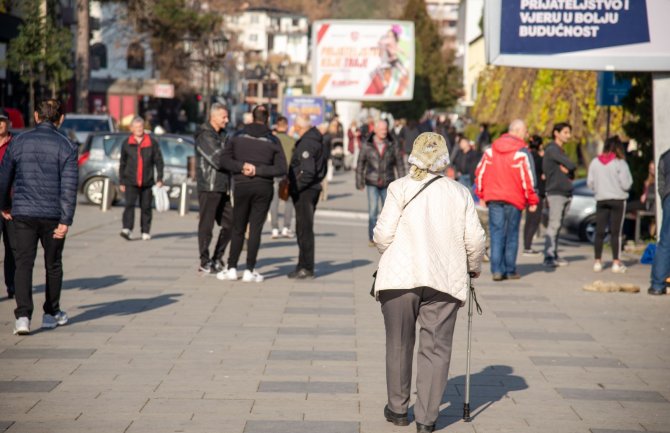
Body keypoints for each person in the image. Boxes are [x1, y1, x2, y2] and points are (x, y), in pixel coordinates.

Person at [372, 132, 485, 433]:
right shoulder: (459, 193)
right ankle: (426, 419)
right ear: (444, 158)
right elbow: (475, 238)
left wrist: (396, 255)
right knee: (436, 348)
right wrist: (473, 268)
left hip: (400, 277)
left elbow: (382, 235)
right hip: (444, 280)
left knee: (398, 343)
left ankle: (397, 409)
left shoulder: (399, 188)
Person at [0, 99, 78, 335]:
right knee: (53, 264)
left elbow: (4, 178)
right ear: (60, 119)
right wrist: (66, 220)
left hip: (22, 212)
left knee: (23, 263)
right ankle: (50, 313)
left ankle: (23, 316)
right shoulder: (66, 145)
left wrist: (4, 206)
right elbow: (69, 187)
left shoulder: (19, 141)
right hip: (53, 215)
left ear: (36, 116)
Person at [219, 106, 286, 283]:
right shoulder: (273, 140)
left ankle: (232, 268)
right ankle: (249, 270)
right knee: (255, 229)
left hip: (241, 185)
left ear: (252, 117)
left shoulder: (238, 136)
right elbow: (281, 169)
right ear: (267, 119)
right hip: (263, 187)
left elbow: (224, 160)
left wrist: (242, 167)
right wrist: (259, 170)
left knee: (238, 227)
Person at [475, 119, 539, 281]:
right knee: (511, 233)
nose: (527, 135)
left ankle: (497, 270)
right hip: (514, 199)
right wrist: (532, 200)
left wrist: (481, 194)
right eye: (525, 131)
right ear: (517, 131)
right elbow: (528, 178)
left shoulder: (491, 150)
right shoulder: (522, 152)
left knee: (496, 233)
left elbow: (480, 172)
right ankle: (510, 270)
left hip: (494, 198)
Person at [287, 114, 329, 279]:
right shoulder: (315, 140)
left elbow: (308, 171)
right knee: (302, 228)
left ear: (299, 127)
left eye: (296, 128)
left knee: (304, 230)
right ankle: (302, 265)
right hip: (312, 188)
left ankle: (306, 267)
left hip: (306, 191)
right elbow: (322, 169)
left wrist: (296, 187)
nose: (294, 130)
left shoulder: (307, 143)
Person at [195, 103, 233, 274]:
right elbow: (218, 159)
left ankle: (218, 257)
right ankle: (205, 261)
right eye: (224, 116)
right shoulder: (205, 135)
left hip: (223, 186)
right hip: (209, 186)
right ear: (214, 117)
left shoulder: (224, 135)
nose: (227, 120)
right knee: (206, 226)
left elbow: (231, 155)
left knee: (231, 222)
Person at [356, 120, 406, 247]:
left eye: (386, 129)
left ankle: (386, 237)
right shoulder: (367, 144)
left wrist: (403, 182)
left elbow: (399, 163)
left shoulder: (392, 144)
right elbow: (360, 163)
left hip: (388, 182)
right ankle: (372, 238)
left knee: (388, 211)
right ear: (375, 130)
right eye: (382, 129)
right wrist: (359, 181)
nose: (384, 131)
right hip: (372, 181)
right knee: (373, 211)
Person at [587, 136, 633, 273]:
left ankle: (597, 262)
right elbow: (627, 184)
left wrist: (599, 190)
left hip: (601, 199)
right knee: (616, 232)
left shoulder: (595, 162)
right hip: (618, 200)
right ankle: (616, 263)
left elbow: (590, 182)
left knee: (599, 231)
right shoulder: (620, 163)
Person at [119, 116, 164, 241]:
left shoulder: (152, 142)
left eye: (141, 127)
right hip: (130, 180)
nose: (139, 129)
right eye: (136, 127)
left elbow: (159, 161)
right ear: (132, 128)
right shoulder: (127, 143)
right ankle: (127, 229)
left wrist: (159, 178)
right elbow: (122, 163)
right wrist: (121, 181)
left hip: (147, 181)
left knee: (146, 207)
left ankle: (145, 231)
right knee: (129, 205)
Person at [542, 122, 576, 267]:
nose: (568, 136)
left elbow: (571, 169)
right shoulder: (552, 149)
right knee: (554, 224)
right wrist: (567, 167)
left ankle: (554, 253)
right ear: (556, 133)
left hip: (565, 191)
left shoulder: (560, 151)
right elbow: (572, 165)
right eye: (565, 132)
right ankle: (548, 256)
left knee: (558, 225)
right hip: (556, 191)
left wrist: (568, 169)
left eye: (569, 132)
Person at [649, 148, 670, 295]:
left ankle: (657, 285)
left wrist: (665, 199)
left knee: (665, 241)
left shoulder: (666, 156)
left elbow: (661, 182)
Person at [270, 115, 296, 239]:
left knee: (274, 202)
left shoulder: (272, 140)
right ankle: (286, 227)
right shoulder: (292, 141)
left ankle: (274, 228)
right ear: (286, 126)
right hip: (287, 174)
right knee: (289, 201)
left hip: (274, 173)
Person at [522, 135, 545, 256]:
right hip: (538, 192)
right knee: (534, 220)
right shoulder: (540, 159)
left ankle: (527, 245)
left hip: (528, 191)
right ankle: (528, 247)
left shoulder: (527, 156)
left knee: (528, 220)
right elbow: (544, 174)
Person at [0, 114, 15, 298]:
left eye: (2, 122)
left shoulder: (15, 144)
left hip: (11, 205)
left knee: (11, 247)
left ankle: (11, 284)